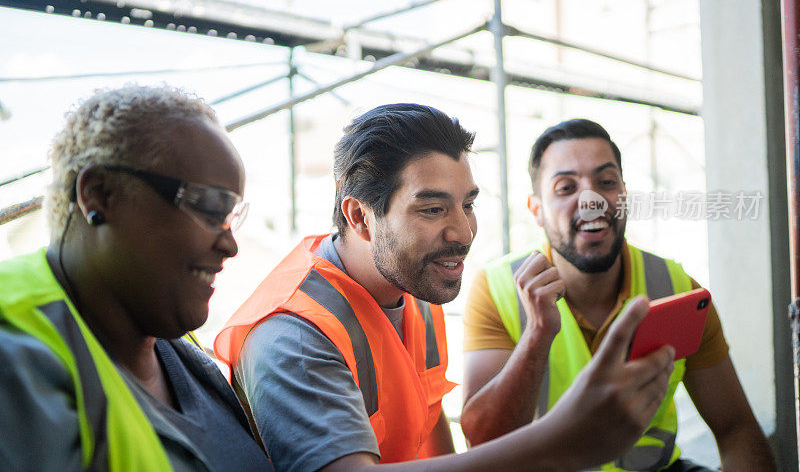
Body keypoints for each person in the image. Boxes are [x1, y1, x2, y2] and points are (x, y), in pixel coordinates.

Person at [215, 104, 677, 472]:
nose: (463, 232)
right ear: (359, 217)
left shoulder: (417, 288)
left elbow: (439, 451)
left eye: (468, 205)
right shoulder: (293, 335)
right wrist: (559, 441)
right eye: (433, 210)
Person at [460, 118, 775, 471]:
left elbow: (736, 429)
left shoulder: (678, 288)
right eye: (566, 188)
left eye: (606, 182)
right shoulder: (497, 289)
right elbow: (482, 444)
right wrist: (536, 335)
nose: (591, 200)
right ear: (537, 211)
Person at [0, 85, 271, 471]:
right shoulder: (17, 353)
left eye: (231, 217)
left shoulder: (175, 345)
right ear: (100, 195)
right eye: (209, 208)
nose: (230, 245)